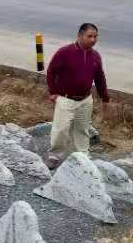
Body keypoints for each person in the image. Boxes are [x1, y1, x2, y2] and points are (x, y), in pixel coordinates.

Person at [46, 22, 109, 160]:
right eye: (89, 36)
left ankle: (83, 156)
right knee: (61, 129)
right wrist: (53, 92)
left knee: (82, 130)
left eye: (95, 37)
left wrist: (105, 98)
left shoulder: (95, 56)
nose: (93, 40)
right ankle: (54, 156)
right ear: (80, 36)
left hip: (85, 100)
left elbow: (100, 78)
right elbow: (51, 71)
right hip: (65, 99)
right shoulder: (65, 52)